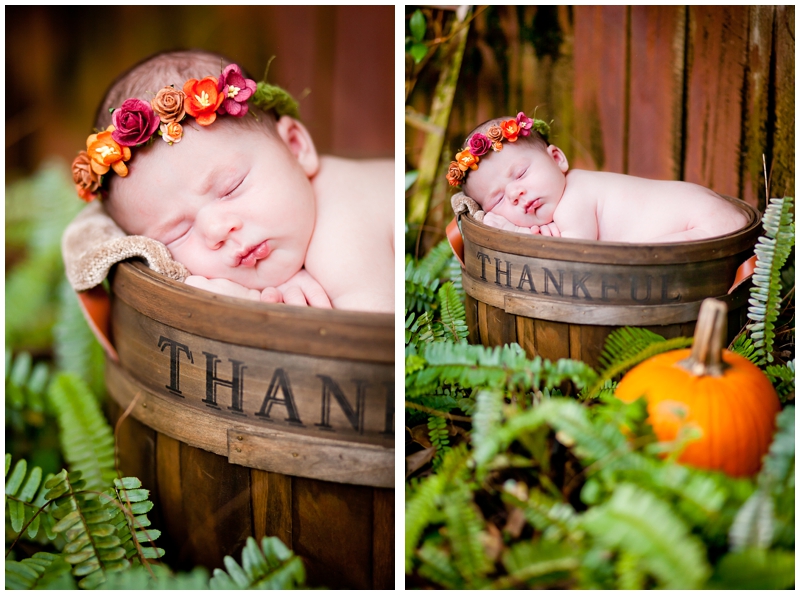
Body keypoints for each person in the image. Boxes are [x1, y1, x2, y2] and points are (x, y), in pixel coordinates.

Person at [72, 50, 393, 313]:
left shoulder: (341, 241)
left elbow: (372, 361)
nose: (217, 230)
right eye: (178, 233)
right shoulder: (297, 224)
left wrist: (267, 314)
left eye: (231, 188)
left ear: (296, 147)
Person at [447, 113, 747, 243]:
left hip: (707, 225)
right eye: (498, 199)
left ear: (557, 159)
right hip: (710, 214)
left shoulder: (575, 198)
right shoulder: (566, 199)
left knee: (646, 262)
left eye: (522, 173)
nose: (516, 194)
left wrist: (520, 236)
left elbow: (573, 260)